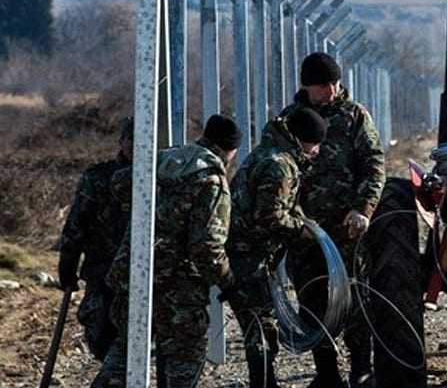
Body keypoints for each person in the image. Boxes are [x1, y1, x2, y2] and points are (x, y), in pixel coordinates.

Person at [91, 114, 240, 388]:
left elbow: (120, 183)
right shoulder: (211, 180)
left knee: (126, 354)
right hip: (179, 288)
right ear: (230, 150)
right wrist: (227, 280)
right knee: (184, 362)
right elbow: (206, 246)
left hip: (134, 276)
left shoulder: (166, 159)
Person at [279, 52, 386, 388]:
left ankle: (360, 369)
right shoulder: (290, 121)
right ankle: (326, 373)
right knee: (311, 299)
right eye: (322, 85)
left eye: (333, 83)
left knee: (354, 295)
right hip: (305, 229)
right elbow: (277, 167)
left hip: (347, 227)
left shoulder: (353, 116)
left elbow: (374, 164)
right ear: (307, 87)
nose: (330, 90)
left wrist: (363, 209)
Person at [225, 107, 329, 388]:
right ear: (300, 139)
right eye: (314, 144)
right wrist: (304, 231)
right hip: (249, 255)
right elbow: (269, 216)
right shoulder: (280, 165)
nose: (317, 151)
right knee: (261, 326)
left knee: (260, 323)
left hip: (250, 253)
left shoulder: (268, 153)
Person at [57, 117, 133, 361]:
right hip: (103, 270)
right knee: (100, 334)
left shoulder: (162, 177)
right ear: (121, 142)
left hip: (146, 273)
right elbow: (77, 223)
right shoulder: (99, 178)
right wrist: (68, 263)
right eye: (130, 140)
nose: (135, 146)